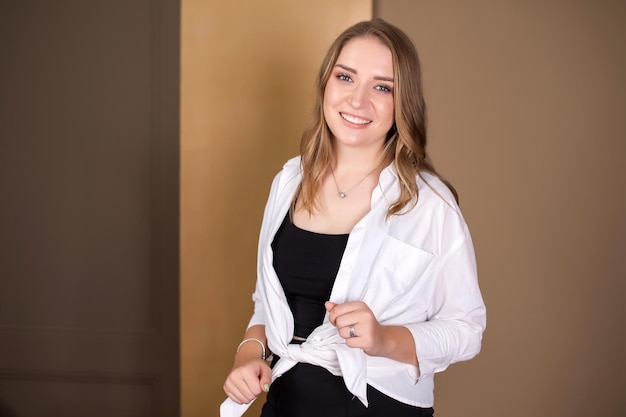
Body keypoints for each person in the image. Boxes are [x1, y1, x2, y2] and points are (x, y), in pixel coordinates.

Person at [221, 18, 486, 417]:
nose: (358, 101)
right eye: (346, 77)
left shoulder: (429, 203)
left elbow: (466, 330)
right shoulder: (289, 181)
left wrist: (383, 339)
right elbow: (266, 304)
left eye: (382, 87)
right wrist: (247, 355)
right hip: (284, 403)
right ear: (326, 84)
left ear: (403, 103)